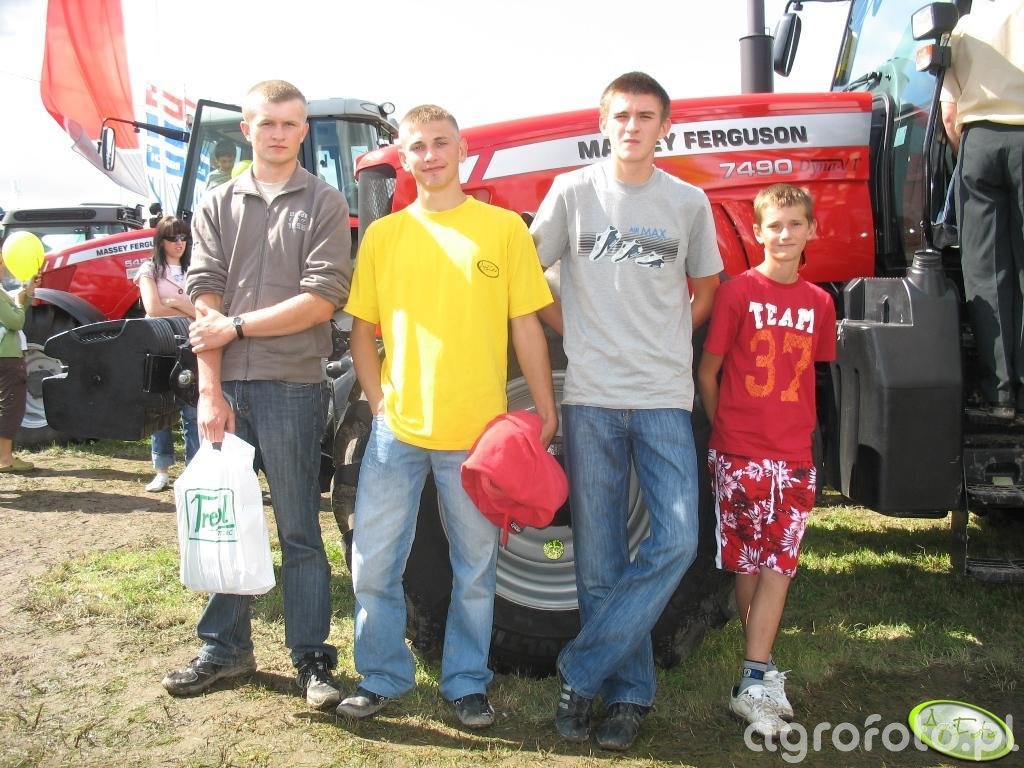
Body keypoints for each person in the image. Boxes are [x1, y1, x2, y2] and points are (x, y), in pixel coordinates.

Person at [337, 104, 556, 729]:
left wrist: (545, 408)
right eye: (418, 146)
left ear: (462, 151)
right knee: (373, 563)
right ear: (405, 158)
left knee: (476, 570)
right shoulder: (384, 236)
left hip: (477, 434)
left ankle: (466, 683)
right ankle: (382, 676)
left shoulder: (502, 230)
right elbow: (362, 332)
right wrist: (379, 405)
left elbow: (527, 324)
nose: (430, 155)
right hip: (397, 434)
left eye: (441, 143)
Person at [530, 71, 722, 751]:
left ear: (665, 126)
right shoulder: (572, 192)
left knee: (678, 539)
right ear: (603, 123)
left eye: (645, 116)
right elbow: (529, 275)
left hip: (664, 397)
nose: (633, 126)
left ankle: (581, 670)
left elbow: (705, 288)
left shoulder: (688, 202)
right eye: (622, 115)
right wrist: (573, 332)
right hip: (591, 399)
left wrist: (667, 338)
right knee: (600, 556)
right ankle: (627, 695)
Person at [161, 79, 351, 710]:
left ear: (304, 132)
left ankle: (311, 658)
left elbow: (322, 299)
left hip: (294, 385)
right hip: (227, 388)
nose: (278, 133)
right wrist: (209, 391)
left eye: (290, 124)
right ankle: (225, 649)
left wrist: (238, 327)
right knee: (224, 518)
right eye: (266, 122)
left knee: (298, 527)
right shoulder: (216, 203)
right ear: (246, 129)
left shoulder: (325, 202)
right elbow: (204, 297)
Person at [697, 183, 836, 739]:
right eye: (774, 225)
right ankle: (762, 666)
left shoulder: (819, 302)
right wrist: (725, 431)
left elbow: (808, 379)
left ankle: (753, 677)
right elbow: (708, 372)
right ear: (757, 232)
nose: (784, 234)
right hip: (739, 454)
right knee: (748, 564)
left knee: (781, 563)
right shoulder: (737, 294)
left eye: (795, 224)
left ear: (811, 230)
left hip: (792, 454)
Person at [939, 0, 1024, 420]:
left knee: (986, 273)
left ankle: (1001, 395)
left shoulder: (964, 27)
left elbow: (948, 113)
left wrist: (970, 151)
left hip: (979, 143)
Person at [135, 215, 200, 491]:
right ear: (161, 241)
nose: (179, 243)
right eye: (173, 238)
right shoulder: (149, 269)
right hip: (160, 345)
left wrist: (175, 303)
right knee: (160, 409)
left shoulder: (194, 269)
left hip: (190, 343)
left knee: (192, 409)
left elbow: (203, 310)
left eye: (183, 237)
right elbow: (153, 308)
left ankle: (194, 468)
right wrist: (186, 308)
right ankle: (162, 469)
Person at [0, 265, 36, 473]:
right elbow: (15, 322)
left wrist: (26, 295)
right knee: (11, 406)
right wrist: (20, 303)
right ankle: (5, 458)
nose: (2, 267)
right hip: (7, 356)